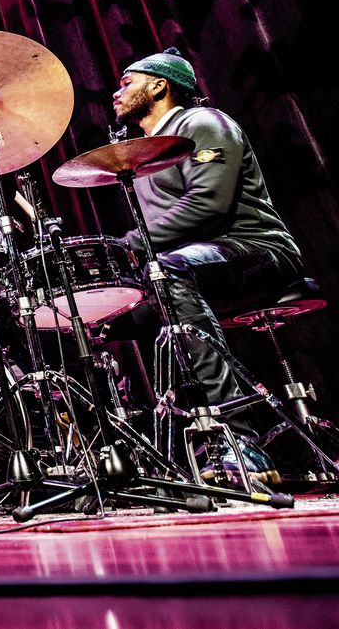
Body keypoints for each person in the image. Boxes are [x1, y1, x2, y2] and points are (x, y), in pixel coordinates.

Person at [111, 47, 304, 483]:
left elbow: (208, 204)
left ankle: (239, 442)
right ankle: (125, 458)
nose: (116, 93)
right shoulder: (144, 151)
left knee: (169, 270)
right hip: (193, 263)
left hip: (255, 248)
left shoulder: (201, 123)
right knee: (102, 315)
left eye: (127, 83)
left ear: (159, 85)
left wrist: (129, 244)